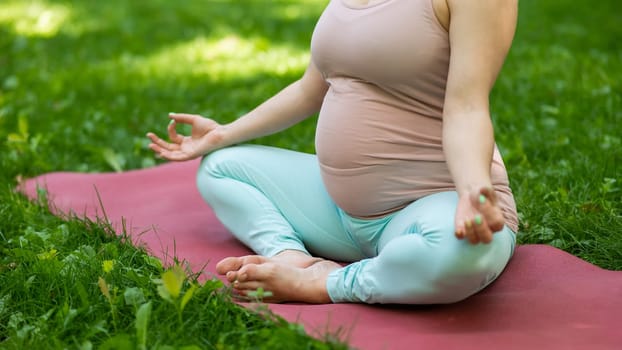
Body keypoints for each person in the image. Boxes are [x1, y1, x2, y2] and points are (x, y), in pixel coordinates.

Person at [147, 0, 519, 304]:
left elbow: (467, 107)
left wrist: (473, 189)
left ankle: (325, 283)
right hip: (340, 215)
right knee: (220, 168)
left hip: (438, 204)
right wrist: (222, 135)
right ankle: (291, 257)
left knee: (456, 254)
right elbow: (311, 87)